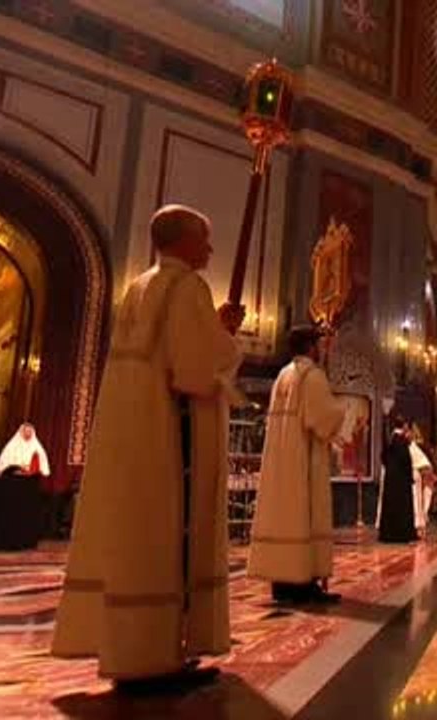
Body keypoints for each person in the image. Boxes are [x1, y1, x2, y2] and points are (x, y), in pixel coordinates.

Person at [52, 204, 242, 690]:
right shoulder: (186, 287)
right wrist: (226, 339)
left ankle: (133, 651)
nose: (211, 249)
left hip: (132, 435)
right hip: (167, 439)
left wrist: (214, 331)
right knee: (165, 538)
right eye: (205, 238)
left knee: (135, 543)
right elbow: (194, 371)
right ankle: (155, 659)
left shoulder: (139, 286)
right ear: (183, 241)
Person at [248, 327, 347, 604]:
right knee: (304, 513)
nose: (322, 348)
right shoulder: (311, 375)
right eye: (319, 343)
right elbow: (321, 418)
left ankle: (282, 583)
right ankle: (303, 583)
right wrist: (340, 409)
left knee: (284, 516)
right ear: (310, 346)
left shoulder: (284, 374)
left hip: (282, 456)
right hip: (303, 457)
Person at [0, 423, 51, 549]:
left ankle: (25, 540)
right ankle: (8, 540)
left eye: (30, 431)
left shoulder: (37, 447)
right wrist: (16, 469)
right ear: (21, 432)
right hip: (12, 486)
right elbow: (3, 464)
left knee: (25, 515)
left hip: (28, 487)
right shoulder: (12, 446)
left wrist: (31, 470)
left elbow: (43, 467)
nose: (28, 433)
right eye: (26, 431)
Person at [378, 419, 417, 543]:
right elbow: (406, 461)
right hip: (401, 481)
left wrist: (389, 468)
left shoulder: (390, 439)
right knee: (401, 507)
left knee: (390, 505)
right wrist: (409, 476)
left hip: (391, 479)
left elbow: (383, 456)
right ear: (404, 426)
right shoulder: (401, 441)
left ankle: (388, 533)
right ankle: (401, 534)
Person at [410, 426, 435, 538]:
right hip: (415, 480)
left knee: (420, 504)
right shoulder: (410, 447)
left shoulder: (415, 448)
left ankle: (420, 525)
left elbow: (426, 467)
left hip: (418, 481)